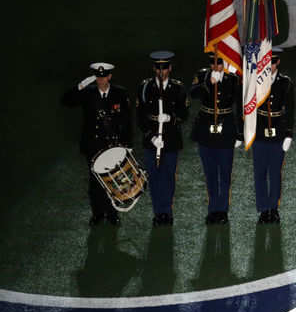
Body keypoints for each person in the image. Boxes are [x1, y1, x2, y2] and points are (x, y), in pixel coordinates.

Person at [62, 63, 132, 226]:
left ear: (109, 76)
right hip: (93, 144)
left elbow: (127, 120)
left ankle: (112, 214)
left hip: (113, 144)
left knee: (114, 179)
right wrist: (80, 86)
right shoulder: (88, 93)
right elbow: (66, 101)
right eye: (98, 77)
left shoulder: (120, 93)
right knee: (95, 181)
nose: (101, 81)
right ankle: (98, 214)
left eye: (104, 77)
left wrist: (127, 143)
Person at [136, 51, 189, 226]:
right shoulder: (145, 87)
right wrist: (151, 137)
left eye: (164, 68)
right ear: (154, 69)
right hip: (151, 139)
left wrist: (170, 118)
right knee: (154, 176)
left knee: (168, 176)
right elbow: (139, 116)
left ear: (170, 68)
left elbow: (184, 113)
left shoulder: (178, 88)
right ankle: (158, 212)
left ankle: (167, 211)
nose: (161, 71)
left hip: (171, 139)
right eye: (158, 68)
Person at [190, 53, 243, 224]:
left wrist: (240, 133)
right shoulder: (201, 75)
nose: (215, 67)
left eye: (219, 63)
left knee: (225, 173)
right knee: (210, 173)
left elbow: (240, 105)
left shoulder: (233, 79)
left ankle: (223, 211)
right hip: (205, 130)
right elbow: (193, 94)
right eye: (212, 63)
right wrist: (208, 82)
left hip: (226, 130)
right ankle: (213, 209)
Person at [253, 47, 294, 224]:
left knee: (275, 173)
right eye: (267, 62)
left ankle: (273, 209)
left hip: (278, 135)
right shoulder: (255, 80)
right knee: (260, 173)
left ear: (278, 63)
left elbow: (290, 110)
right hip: (259, 134)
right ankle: (263, 209)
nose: (270, 66)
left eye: (273, 62)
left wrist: (289, 134)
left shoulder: (286, 83)